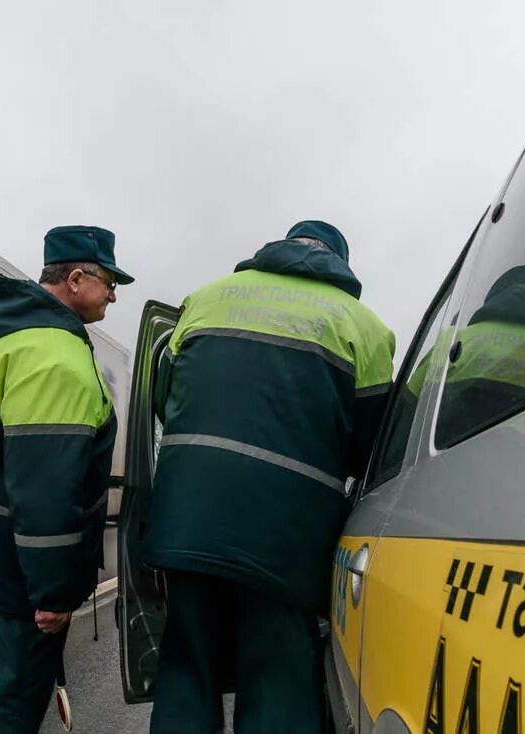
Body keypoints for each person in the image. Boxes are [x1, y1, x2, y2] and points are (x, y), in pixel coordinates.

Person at [143, 220, 395, 733]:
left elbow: (164, 399)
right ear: (339, 263)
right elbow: (369, 451)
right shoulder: (364, 327)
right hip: (286, 538)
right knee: (277, 684)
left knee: (187, 671)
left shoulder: (207, 298)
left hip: (187, 520)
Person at [0, 225, 133, 733]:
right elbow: (46, 488)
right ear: (76, 278)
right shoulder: (54, 359)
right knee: (10, 702)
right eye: (109, 282)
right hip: (22, 569)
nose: (114, 294)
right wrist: (53, 592)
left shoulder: (8, 333)